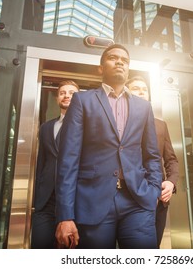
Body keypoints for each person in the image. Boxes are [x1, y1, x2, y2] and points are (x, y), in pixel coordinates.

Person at [55, 44, 162, 249]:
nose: (120, 61)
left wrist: (154, 190)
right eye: (113, 57)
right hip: (92, 202)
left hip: (137, 201)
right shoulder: (82, 100)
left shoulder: (144, 106)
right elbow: (68, 159)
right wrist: (65, 215)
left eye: (125, 60)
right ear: (101, 68)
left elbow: (152, 154)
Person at [126, 76, 179, 248]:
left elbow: (171, 159)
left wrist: (170, 183)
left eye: (144, 89)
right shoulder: (118, 122)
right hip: (126, 197)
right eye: (135, 88)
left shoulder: (161, 125)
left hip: (158, 198)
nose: (141, 91)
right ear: (126, 93)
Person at [31, 80, 79, 249]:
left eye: (72, 93)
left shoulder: (88, 126)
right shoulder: (46, 127)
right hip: (46, 200)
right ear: (57, 98)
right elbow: (42, 162)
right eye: (62, 93)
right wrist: (37, 195)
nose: (67, 95)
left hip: (75, 199)